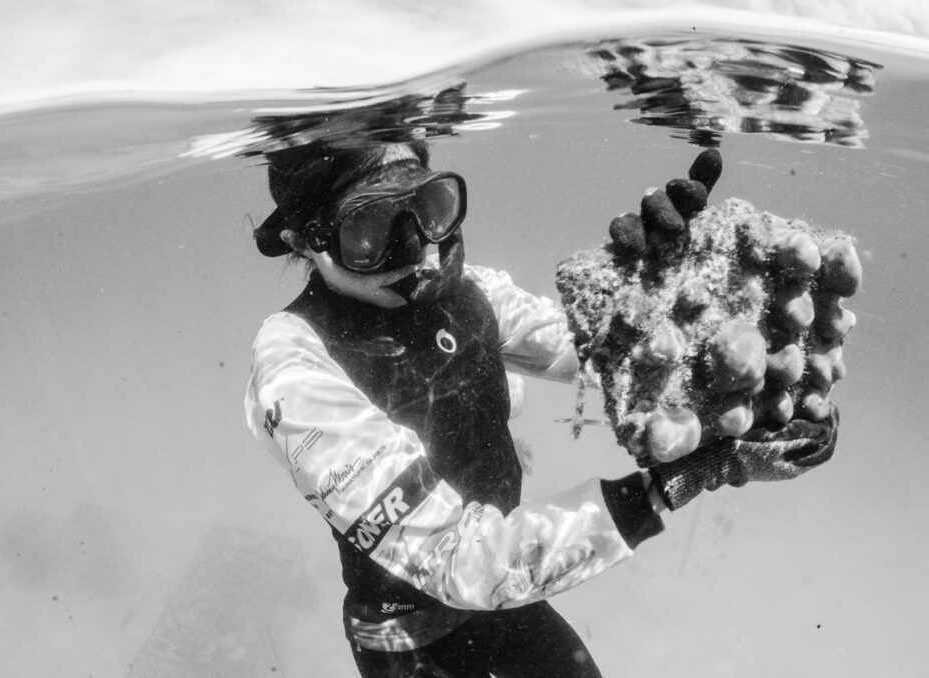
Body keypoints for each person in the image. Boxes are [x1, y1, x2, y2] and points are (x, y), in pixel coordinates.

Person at [244, 139, 838, 677]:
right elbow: (462, 563)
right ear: (304, 241)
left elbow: (600, 351)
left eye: (431, 208)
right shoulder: (293, 367)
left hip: (508, 604)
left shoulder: (470, 289)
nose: (424, 254)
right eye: (369, 233)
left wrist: (671, 293)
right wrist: (692, 475)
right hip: (412, 640)